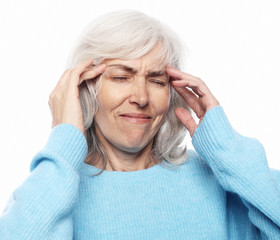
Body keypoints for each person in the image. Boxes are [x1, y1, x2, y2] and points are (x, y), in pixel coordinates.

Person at [0, 10, 280, 240]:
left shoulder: (219, 184)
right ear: (83, 88)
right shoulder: (53, 186)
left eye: (157, 81)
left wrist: (227, 150)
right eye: (121, 77)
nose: (142, 97)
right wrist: (63, 140)